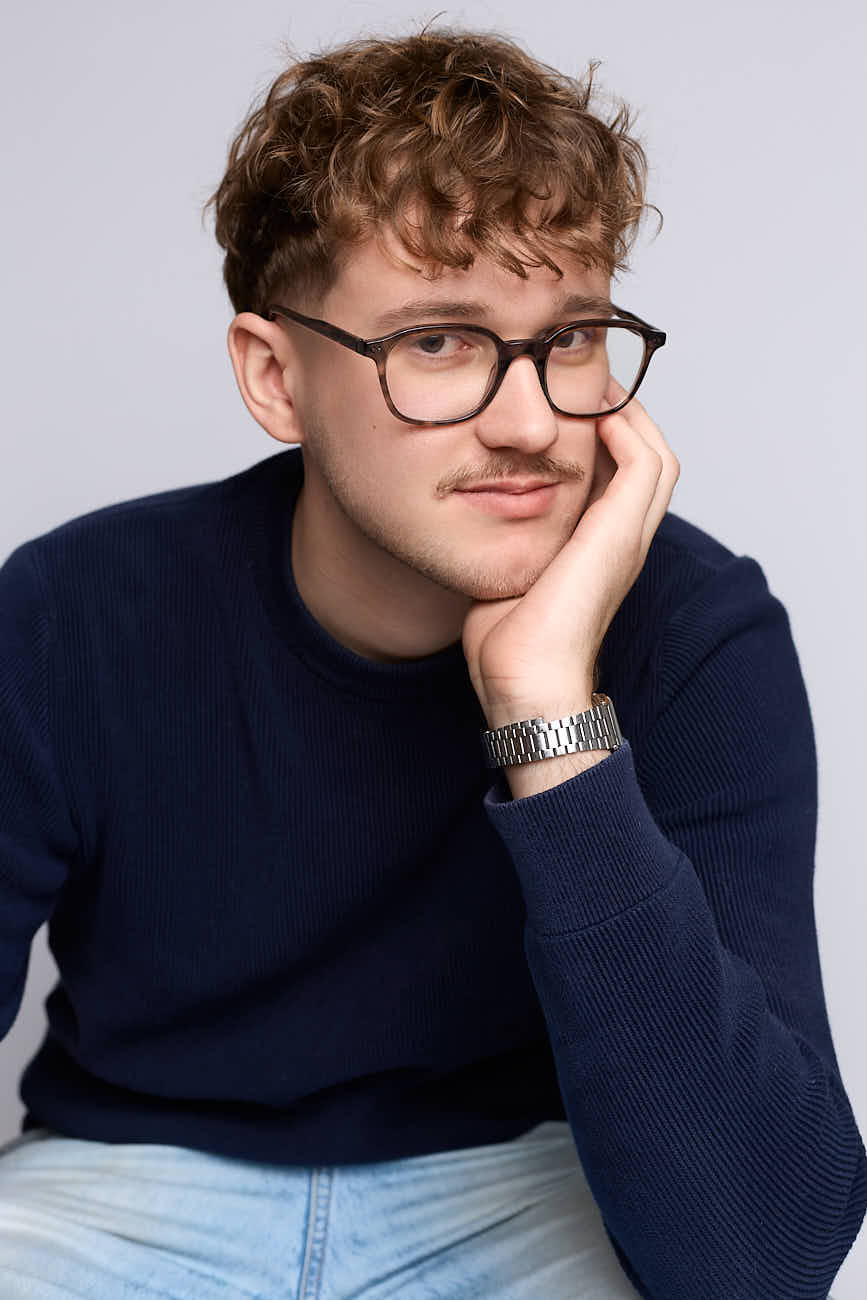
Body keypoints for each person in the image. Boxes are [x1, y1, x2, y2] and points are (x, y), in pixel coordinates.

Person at [0, 24, 863, 1300]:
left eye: (570, 338)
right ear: (274, 377)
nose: (528, 422)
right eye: (440, 342)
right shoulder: (74, 613)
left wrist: (549, 717)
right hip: (122, 1188)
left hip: (525, 1189)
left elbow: (758, 1255)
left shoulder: (693, 631)